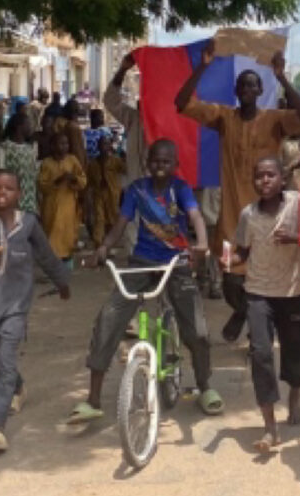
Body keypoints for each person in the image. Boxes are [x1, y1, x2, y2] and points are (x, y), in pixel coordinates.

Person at [68, 139, 224, 423]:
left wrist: (200, 243)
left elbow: (195, 216)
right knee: (108, 319)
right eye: (155, 160)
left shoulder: (181, 189)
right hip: (142, 263)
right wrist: (103, 248)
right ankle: (93, 399)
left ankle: (204, 386)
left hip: (176, 263)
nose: (160, 166)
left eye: (166, 162)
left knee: (198, 331)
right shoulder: (136, 189)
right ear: (147, 162)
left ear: (175, 165)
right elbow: (120, 224)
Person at [176, 41, 300, 342]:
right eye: (243, 85)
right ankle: (242, 313)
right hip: (231, 221)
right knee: (230, 284)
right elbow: (182, 103)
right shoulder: (225, 117)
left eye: (253, 84)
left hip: (267, 219)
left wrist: (282, 77)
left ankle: (258, 333)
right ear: (237, 91)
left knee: (263, 279)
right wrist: (203, 65)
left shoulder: (274, 120)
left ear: (261, 89)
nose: (248, 89)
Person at [0, 169, 71, 452]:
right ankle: (18, 387)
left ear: (19, 194)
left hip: (17, 306)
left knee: (6, 357)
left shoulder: (28, 224)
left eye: (9, 188)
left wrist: (62, 283)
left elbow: (45, 255)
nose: (2, 193)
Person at [230, 157, 300, 453]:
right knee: (260, 353)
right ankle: (270, 427)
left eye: (270, 175)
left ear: (281, 180)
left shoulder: (297, 204)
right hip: (258, 292)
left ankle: (295, 395)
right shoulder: (248, 215)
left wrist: (295, 238)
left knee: (295, 350)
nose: (264, 180)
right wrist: (229, 261)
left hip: (292, 291)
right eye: (259, 176)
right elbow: (242, 253)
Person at [37, 132, 87, 266]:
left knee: (68, 236)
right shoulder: (47, 163)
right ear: (53, 146)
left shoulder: (72, 160)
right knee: (52, 235)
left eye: (66, 143)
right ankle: (53, 267)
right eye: (61, 143)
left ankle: (66, 267)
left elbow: (83, 180)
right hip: (51, 207)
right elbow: (42, 185)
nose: (64, 147)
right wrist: (57, 181)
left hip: (69, 206)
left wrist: (74, 179)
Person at [104, 55, 148, 186]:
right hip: (134, 188)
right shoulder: (134, 118)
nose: (139, 100)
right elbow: (111, 101)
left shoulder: (168, 123)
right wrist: (122, 69)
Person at [0, 113, 39, 215]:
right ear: (19, 127)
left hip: (30, 205)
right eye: (28, 124)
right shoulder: (4, 148)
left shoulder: (30, 149)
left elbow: (33, 177)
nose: (31, 127)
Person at [86, 134, 124, 248]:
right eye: (102, 144)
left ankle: (109, 243)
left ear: (110, 146)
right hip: (99, 194)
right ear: (98, 146)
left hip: (113, 194)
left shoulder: (115, 161)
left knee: (112, 219)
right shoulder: (93, 164)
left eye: (106, 144)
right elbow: (89, 181)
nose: (104, 146)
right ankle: (98, 244)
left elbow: (125, 169)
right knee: (99, 218)